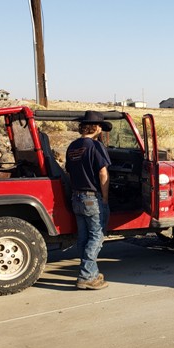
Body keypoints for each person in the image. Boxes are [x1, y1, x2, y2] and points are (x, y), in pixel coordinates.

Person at [65, 111, 113, 290]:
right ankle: (86, 276)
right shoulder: (96, 146)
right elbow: (103, 173)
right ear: (97, 128)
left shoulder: (72, 146)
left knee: (83, 237)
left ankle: (91, 272)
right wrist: (105, 198)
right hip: (92, 198)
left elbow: (69, 172)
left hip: (76, 197)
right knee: (96, 237)